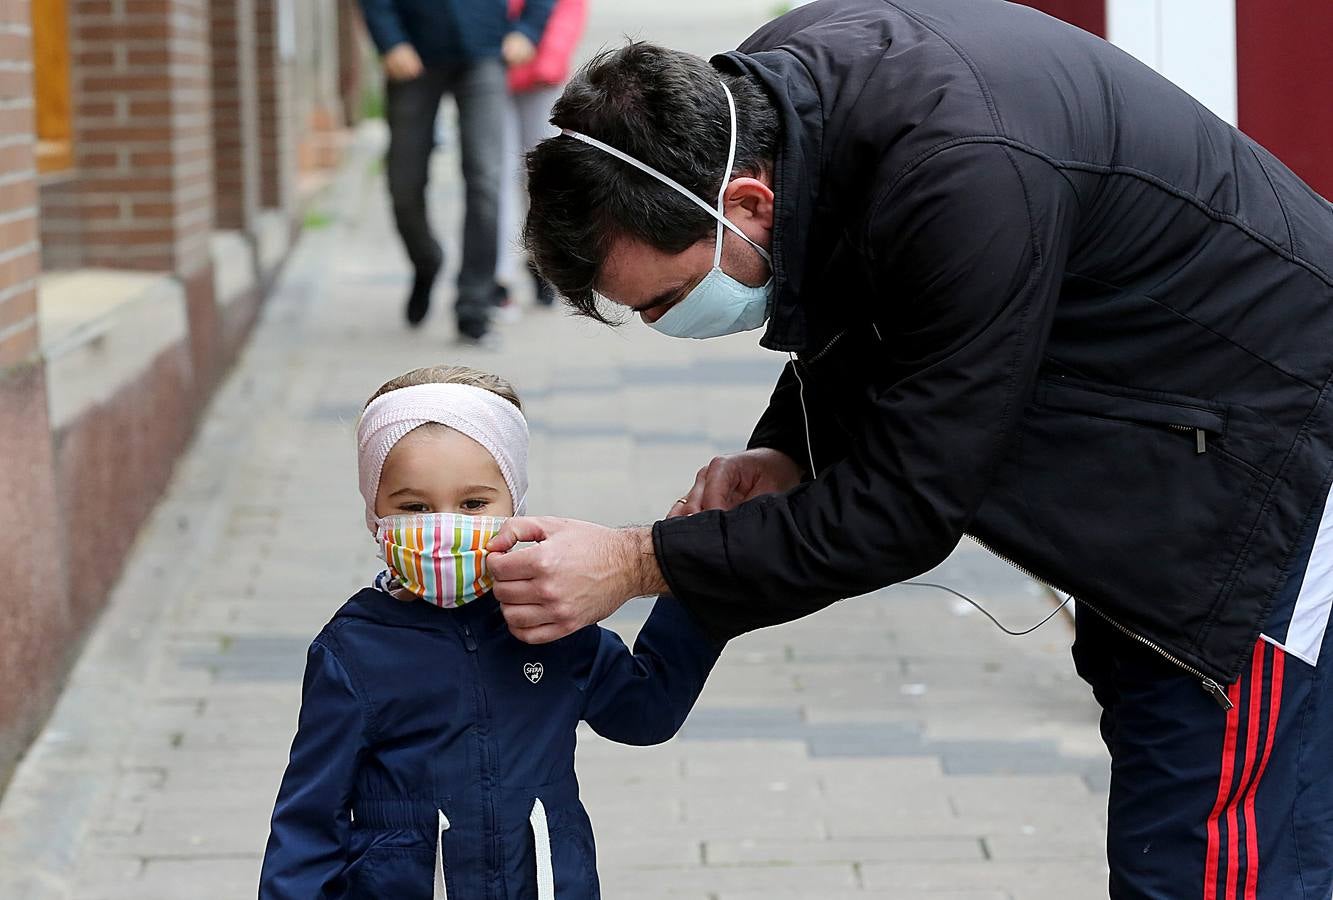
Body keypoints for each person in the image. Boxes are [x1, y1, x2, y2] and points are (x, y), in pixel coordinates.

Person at [488, 2, 1333, 896]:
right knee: (1233, 819)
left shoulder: (961, 173)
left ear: (745, 200)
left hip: (1265, 451)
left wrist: (631, 562)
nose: (661, 325)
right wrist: (791, 451)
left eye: (662, 300)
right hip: (1158, 449)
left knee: (1207, 847)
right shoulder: (778, 95)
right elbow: (866, 300)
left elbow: (906, 507)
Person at [258, 365, 721, 898]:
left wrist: (697, 576)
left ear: (514, 506)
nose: (444, 525)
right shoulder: (354, 649)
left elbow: (645, 711)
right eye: (414, 507)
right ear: (376, 516)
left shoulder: (551, 616)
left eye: (474, 504)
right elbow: (308, 821)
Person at [356, 0, 555, 341]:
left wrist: (527, 30)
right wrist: (389, 40)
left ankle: (474, 304)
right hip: (412, 55)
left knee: (485, 180)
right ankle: (426, 260)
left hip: (484, 55)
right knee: (404, 184)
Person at [497, 0, 589, 311]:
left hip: (539, 68)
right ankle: (500, 276)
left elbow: (567, 10)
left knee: (544, 177)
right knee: (497, 176)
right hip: (485, 70)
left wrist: (548, 57)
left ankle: (545, 261)